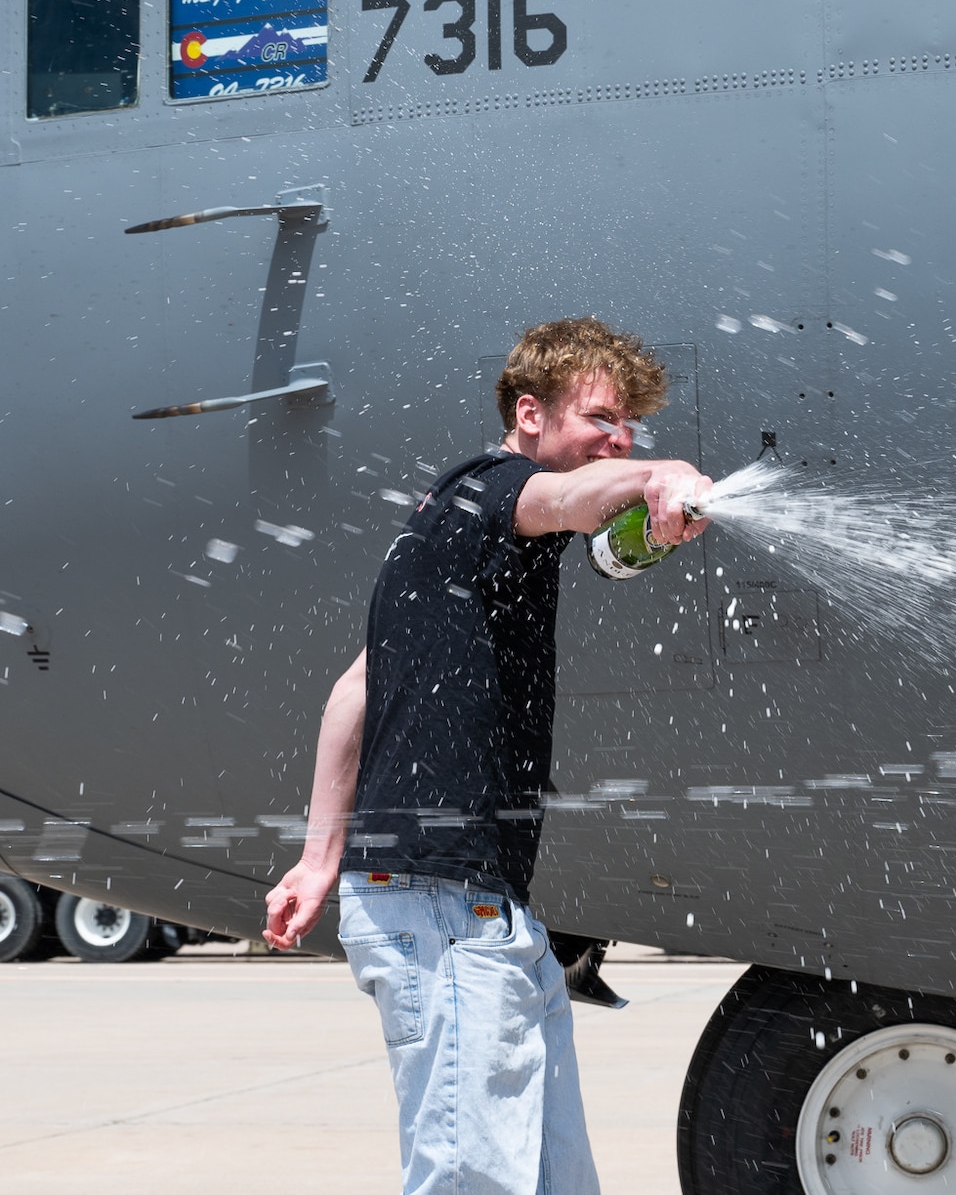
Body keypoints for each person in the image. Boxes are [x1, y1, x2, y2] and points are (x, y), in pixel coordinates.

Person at [263, 317, 712, 1194]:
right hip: (444, 912)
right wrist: (660, 475)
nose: (617, 438)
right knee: (478, 1182)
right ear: (531, 413)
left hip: (471, 908)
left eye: (631, 430)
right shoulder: (495, 487)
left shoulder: (447, 530)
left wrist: (322, 857)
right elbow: (571, 502)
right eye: (602, 416)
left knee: (550, 1181)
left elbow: (353, 692)